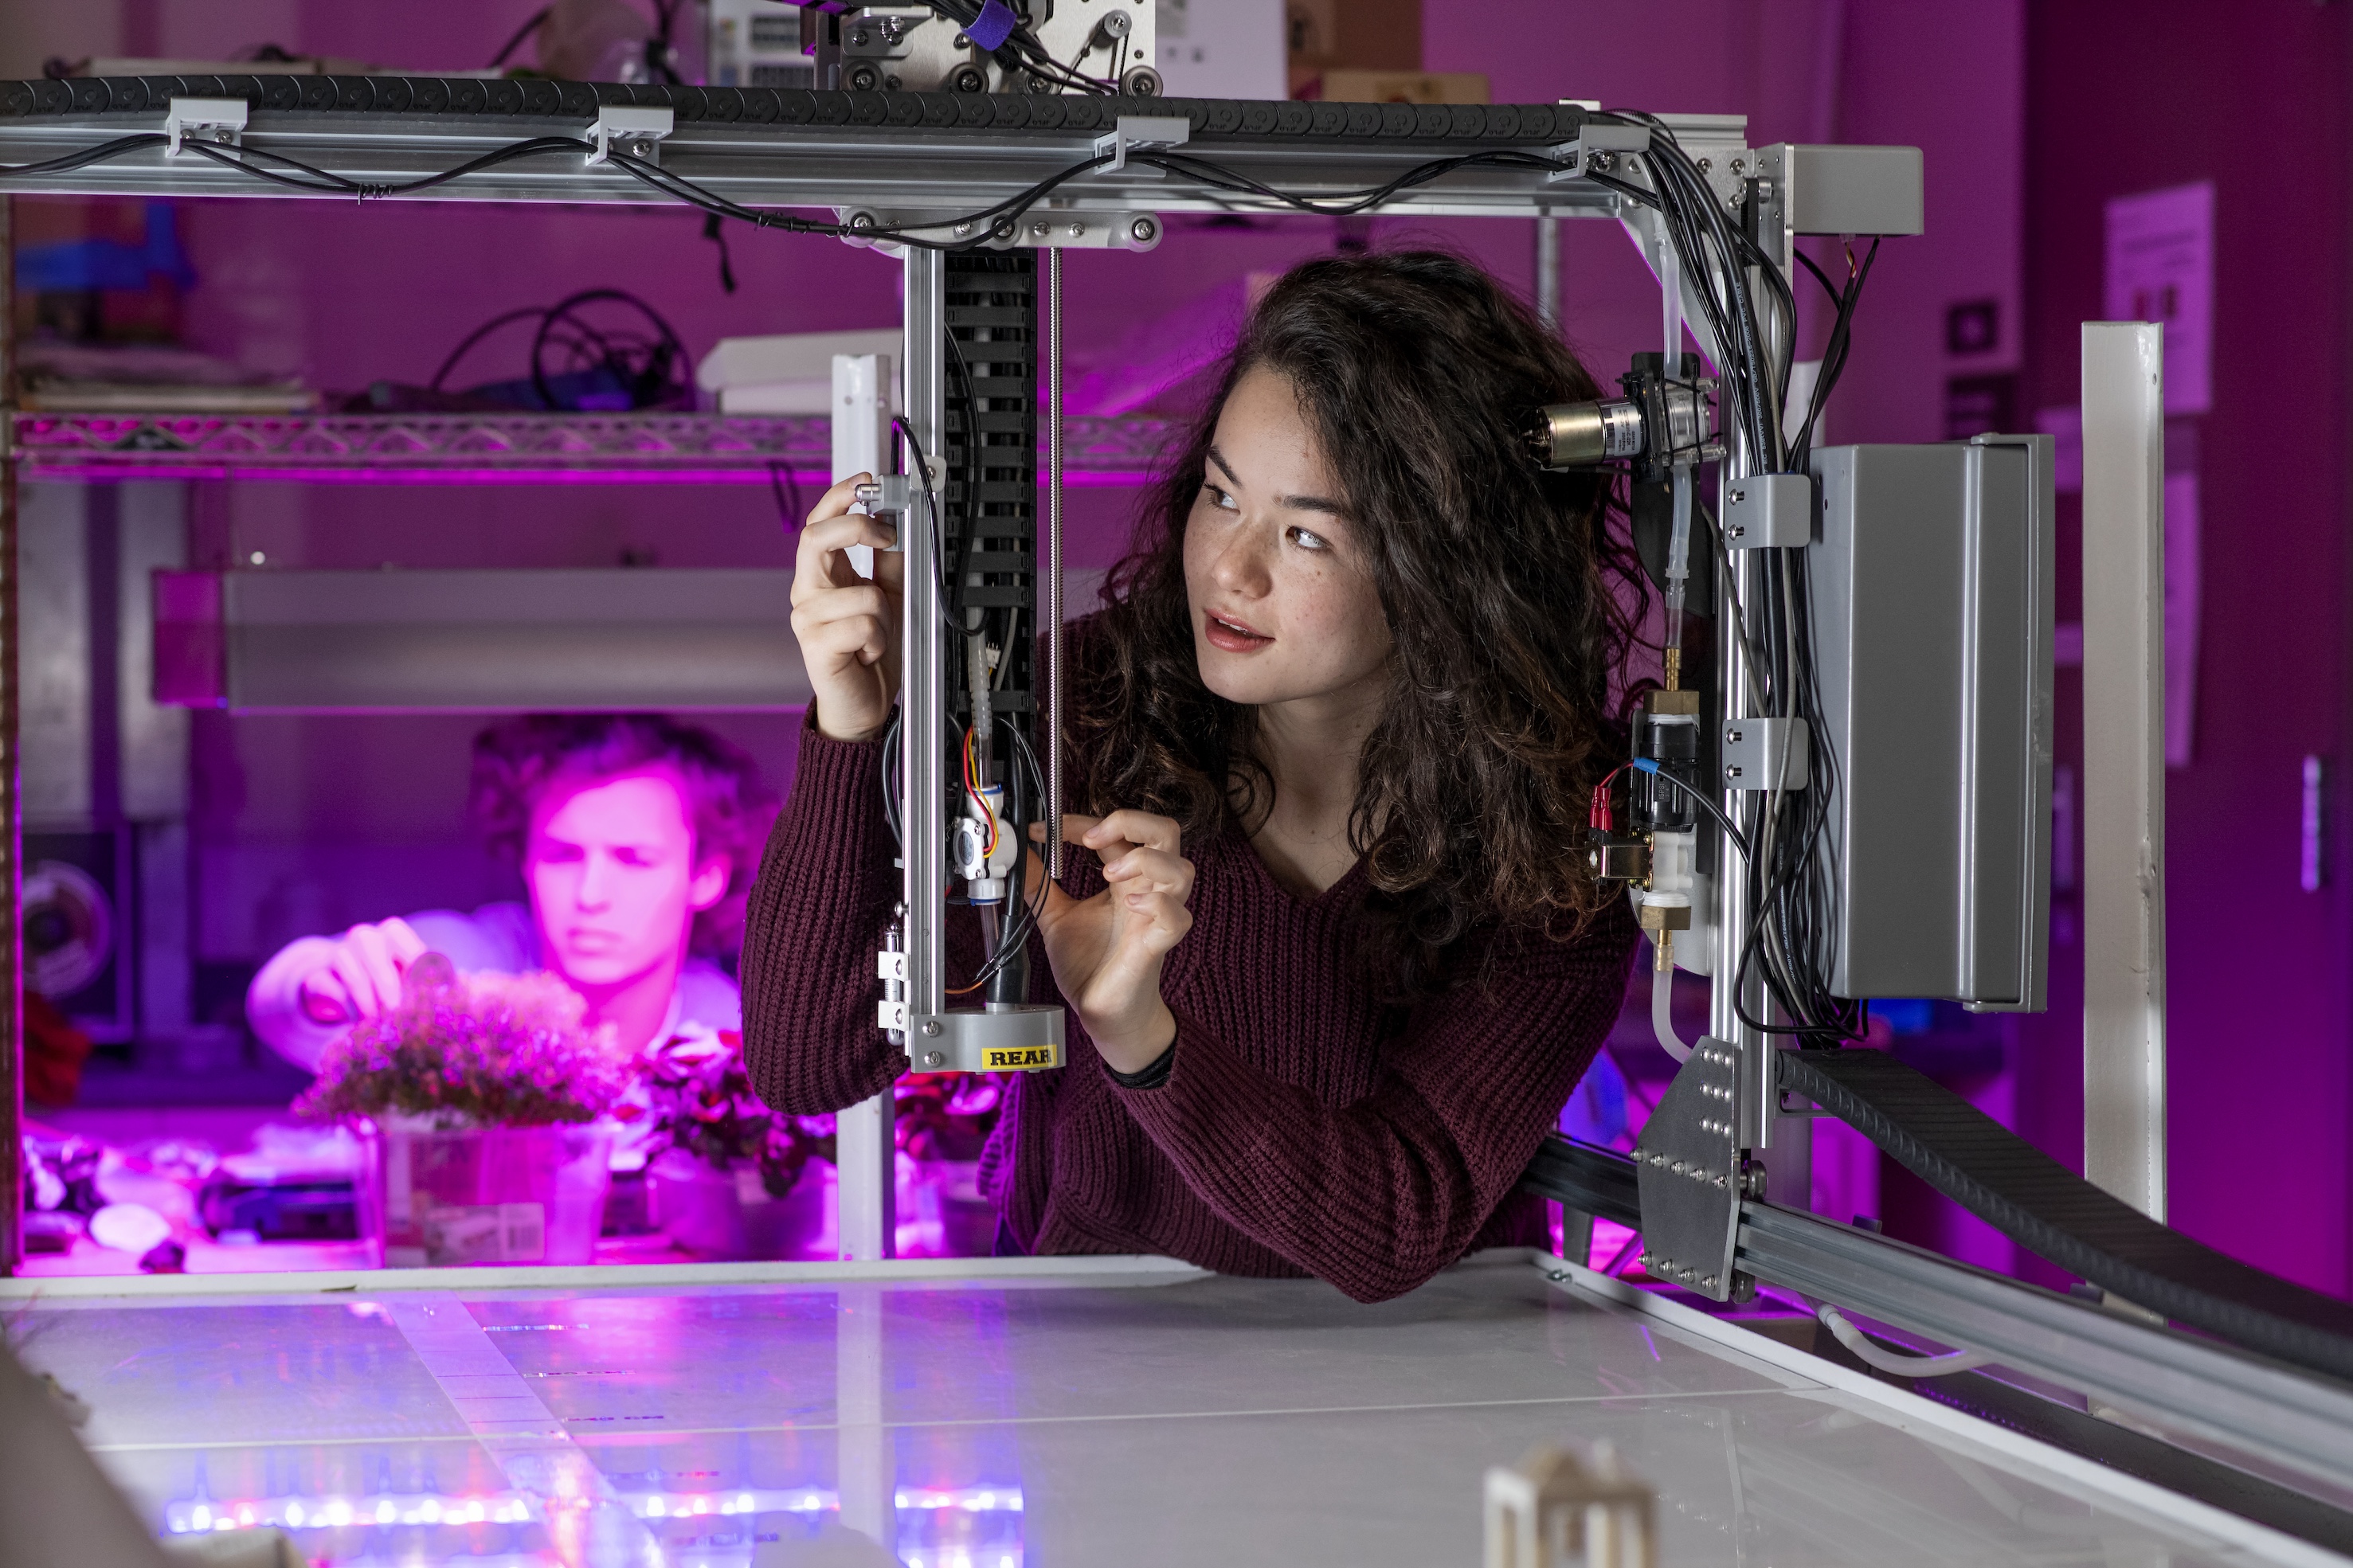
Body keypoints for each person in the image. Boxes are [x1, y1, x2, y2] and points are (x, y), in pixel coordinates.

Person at [742, 250, 1643, 1303]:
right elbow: (808, 1059)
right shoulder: (1074, 706)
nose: (1229, 568)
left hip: (1427, 1378)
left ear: (1449, 575)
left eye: (1304, 533)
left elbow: (1397, 1218)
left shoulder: (1557, 819)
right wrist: (860, 724)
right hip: (1093, 1368)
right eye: (1221, 495)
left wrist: (1137, 1033)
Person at [248, 714, 776, 1072]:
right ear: (524, 859)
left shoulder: (728, 1031)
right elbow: (278, 1001)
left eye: (633, 860)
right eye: (562, 855)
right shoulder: (471, 965)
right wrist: (324, 985)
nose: (591, 895)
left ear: (706, 875)